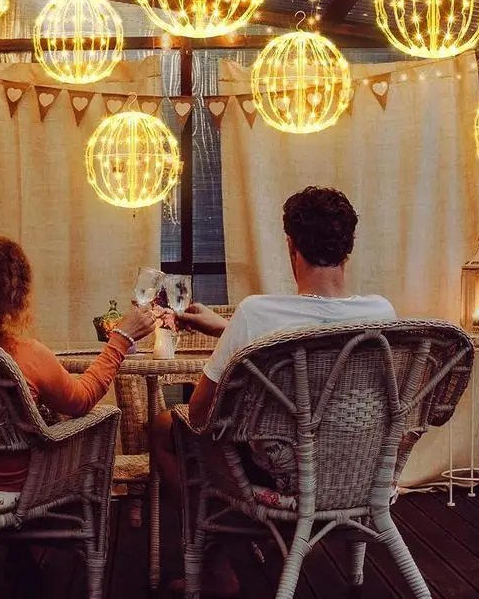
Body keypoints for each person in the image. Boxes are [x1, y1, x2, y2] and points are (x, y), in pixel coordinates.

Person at [151, 186, 396, 596]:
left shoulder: (258, 314)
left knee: (164, 427)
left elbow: (198, 414)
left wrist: (236, 333)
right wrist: (225, 330)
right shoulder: (380, 314)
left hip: (284, 479)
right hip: (360, 471)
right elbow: (317, 338)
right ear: (347, 250)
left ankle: (220, 554)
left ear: (291, 245)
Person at [0, 234, 155, 491]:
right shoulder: (20, 355)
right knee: (97, 423)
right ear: (16, 296)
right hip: (11, 488)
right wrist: (120, 339)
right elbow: (82, 399)